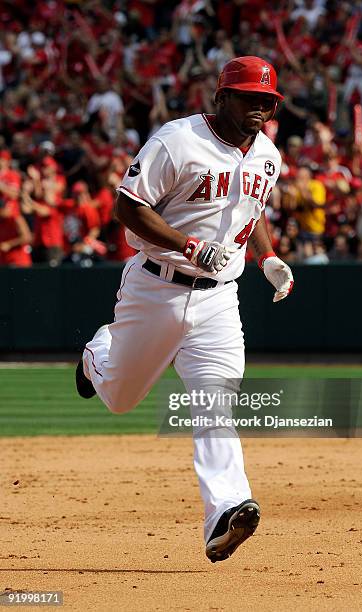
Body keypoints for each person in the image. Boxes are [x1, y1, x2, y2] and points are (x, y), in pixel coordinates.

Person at [75, 56, 294, 563]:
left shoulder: (267, 154)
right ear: (221, 97)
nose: (260, 106)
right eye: (249, 97)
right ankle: (96, 354)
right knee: (121, 398)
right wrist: (191, 246)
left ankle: (226, 509)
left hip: (220, 296)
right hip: (157, 288)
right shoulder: (178, 140)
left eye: (268, 100)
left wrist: (268, 256)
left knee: (216, 398)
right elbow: (127, 206)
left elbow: (250, 210)